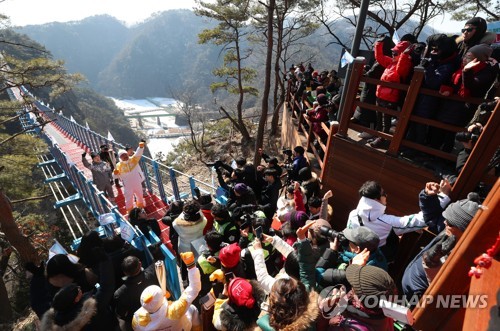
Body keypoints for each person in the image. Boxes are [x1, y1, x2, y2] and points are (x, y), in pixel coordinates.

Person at [402, 193, 480, 299]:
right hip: (409, 286)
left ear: (465, 230)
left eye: (450, 222)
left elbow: (444, 295)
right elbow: (432, 216)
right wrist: (428, 197)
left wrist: (432, 265)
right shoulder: (448, 229)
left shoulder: (467, 260)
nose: (445, 222)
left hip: (419, 298)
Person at [346, 181, 449, 261]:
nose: (386, 196)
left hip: (357, 255)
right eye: (384, 194)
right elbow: (421, 220)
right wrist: (443, 195)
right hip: (379, 257)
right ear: (377, 200)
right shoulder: (387, 222)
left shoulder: (353, 214)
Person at [131, 252, 201, 331]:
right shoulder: (175, 311)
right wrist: (191, 266)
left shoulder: (137, 319)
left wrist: (163, 300)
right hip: (182, 328)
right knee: (192, 308)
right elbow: (194, 288)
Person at [369, 39, 414, 148]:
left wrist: (404, 56)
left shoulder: (406, 64)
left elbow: (401, 70)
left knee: (386, 121)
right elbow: (379, 57)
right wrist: (378, 44)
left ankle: (382, 139)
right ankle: (377, 135)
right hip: (379, 95)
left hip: (390, 98)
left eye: (396, 53)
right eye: (393, 52)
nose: (393, 54)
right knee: (379, 118)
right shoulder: (391, 62)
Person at [114, 256, 159, 330]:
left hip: (140, 323)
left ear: (124, 272)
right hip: (157, 312)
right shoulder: (152, 271)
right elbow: (159, 260)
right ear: (140, 264)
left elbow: (121, 313)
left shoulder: (120, 293)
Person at [114, 141, 146, 212]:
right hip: (127, 185)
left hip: (137, 182)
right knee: (129, 199)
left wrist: (140, 147)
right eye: (122, 156)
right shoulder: (118, 165)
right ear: (120, 157)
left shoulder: (133, 159)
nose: (125, 156)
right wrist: (115, 173)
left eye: (125, 154)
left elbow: (138, 153)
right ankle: (130, 211)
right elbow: (115, 176)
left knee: (140, 195)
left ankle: (140, 208)